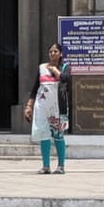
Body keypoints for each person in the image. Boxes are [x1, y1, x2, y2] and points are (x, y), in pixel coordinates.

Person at [29, 41, 67, 175]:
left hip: (57, 107)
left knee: (58, 135)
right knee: (44, 135)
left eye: (55, 51)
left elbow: (65, 79)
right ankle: (46, 166)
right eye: (50, 51)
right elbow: (35, 88)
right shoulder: (41, 68)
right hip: (42, 106)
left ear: (61, 54)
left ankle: (61, 166)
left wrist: (54, 69)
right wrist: (29, 105)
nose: (52, 53)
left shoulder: (65, 67)